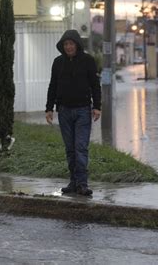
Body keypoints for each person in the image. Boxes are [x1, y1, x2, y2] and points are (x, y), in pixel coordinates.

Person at [45, 29, 101, 196]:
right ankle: (73, 182)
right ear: (63, 46)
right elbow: (52, 86)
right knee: (70, 148)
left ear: (77, 45)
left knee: (81, 148)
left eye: (71, 44)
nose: (68, 47)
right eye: (66, 44)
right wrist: (49, 108)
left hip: (83, 110)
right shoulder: (58, 62)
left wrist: (97, 106)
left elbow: (95, 85)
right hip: (64, 111)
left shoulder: (88, 61)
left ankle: (82, 184)